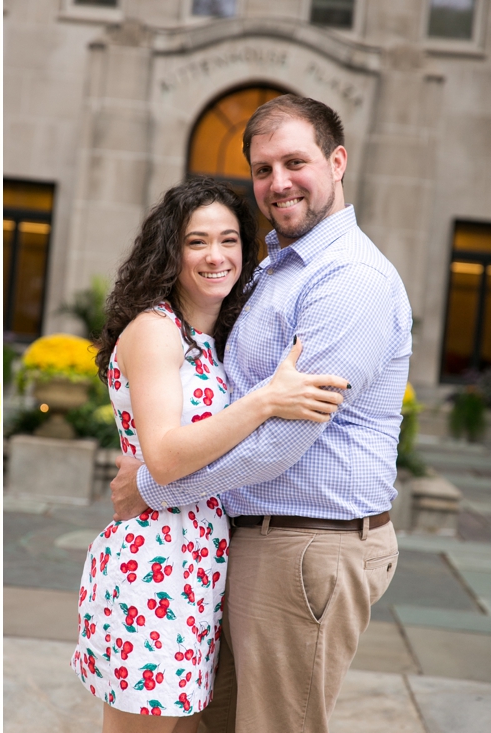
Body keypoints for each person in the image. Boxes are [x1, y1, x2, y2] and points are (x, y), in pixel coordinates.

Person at [110, 96, 411, 733]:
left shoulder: (348, 279)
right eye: (263, 168)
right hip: (242, 540)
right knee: (205, 720)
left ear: (336, 161)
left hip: (308, 542)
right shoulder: (278, 264)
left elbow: (281, 444)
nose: (278, 183)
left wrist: (152, 486)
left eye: (295, 162)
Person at [71, 177, 348, 733]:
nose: (215, 256)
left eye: (229, 241)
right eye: (197, 242)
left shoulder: (209, 342)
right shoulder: (156, 330)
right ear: (169, 251)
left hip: (196, 564)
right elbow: (167, 456)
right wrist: (266, 401)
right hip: (153, 565)